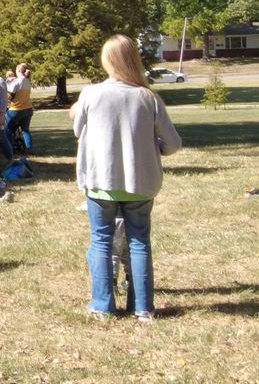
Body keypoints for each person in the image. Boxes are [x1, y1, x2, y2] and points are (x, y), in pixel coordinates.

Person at [70, 34, 182, 321]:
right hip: (140, 184)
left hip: (101, 182)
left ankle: (103, 305)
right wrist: (148, 149)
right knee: (139, 242)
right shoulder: (148, 98)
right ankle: (143, 307)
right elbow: (172, 143)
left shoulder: (91, 94)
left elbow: (78, 131)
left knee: (101, 241)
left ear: (107, 61)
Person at [5, 62, 34, 157]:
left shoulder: (17, 81)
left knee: (7, 128)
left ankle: (10, 147)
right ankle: (29, 149)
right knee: (25, 130)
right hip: (28, 108)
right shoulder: (27, 81)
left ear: (18, 70)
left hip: (16, 109)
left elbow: (10, 96)